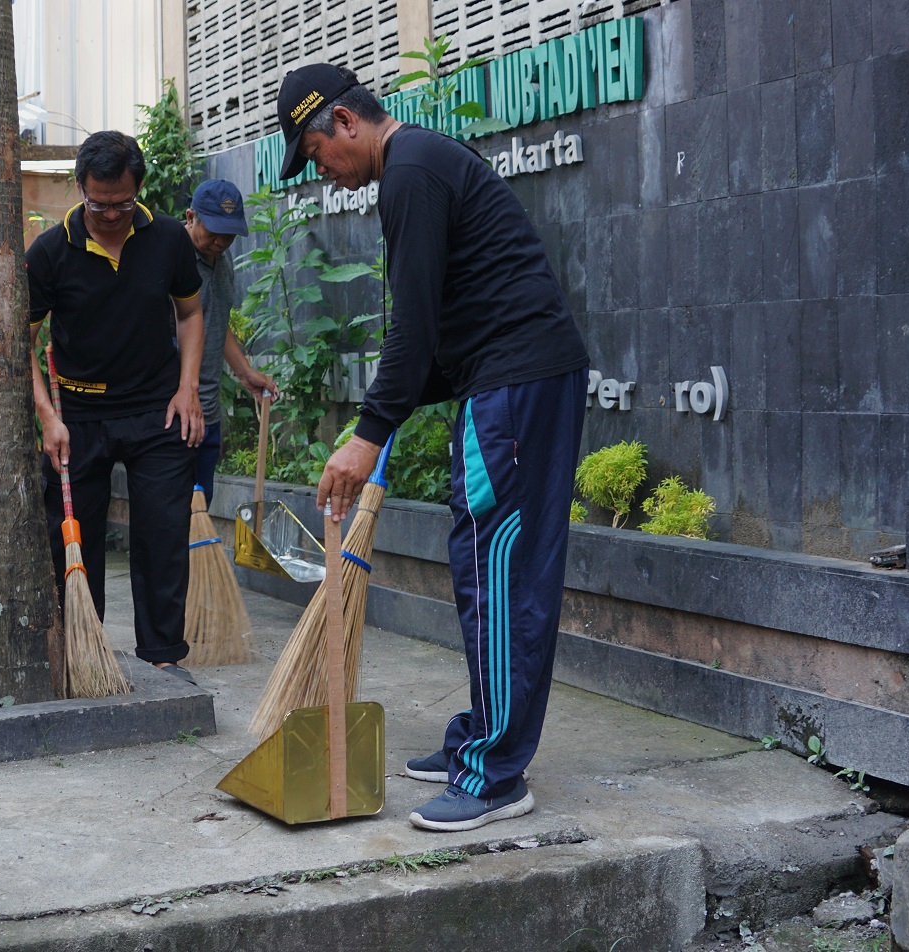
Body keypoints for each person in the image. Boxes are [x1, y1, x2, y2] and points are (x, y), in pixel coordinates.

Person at [275, 64, 590, 832]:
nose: (325, 174)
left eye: (317, 154)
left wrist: (370, 432)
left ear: (346, 122)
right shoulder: (424, 162)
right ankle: (480, 739)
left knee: (498, 573)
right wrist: (385, 418)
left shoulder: (409, 173)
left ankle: (494, 775)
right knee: (484, 563)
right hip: (510, 381)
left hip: (514, 386)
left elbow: (411, 326)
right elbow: (438, 329)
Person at [26, 130, 204, 684]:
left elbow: (191, 313)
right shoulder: (51, 253)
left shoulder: (170, 239)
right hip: (77, 418)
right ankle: (85, 655)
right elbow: (20, 342)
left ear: (138, 191)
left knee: (163, 532)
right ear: (80, 188)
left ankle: (164, 657)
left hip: (157, 409)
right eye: (97, 203)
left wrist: (188, 387)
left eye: (122, 203)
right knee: (76, 536)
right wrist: (47, 417)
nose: (109, 214)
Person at [182, 179, 277, 504]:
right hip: (174, 413)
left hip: (208, 410)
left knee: (200, 510)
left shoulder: (222, 263)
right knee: (171, 518)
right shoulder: (172, 259)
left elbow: (216, 323)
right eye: (214, 231)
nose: (222, 241)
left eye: (230, 233)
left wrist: (245, 372)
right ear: (191, 217)